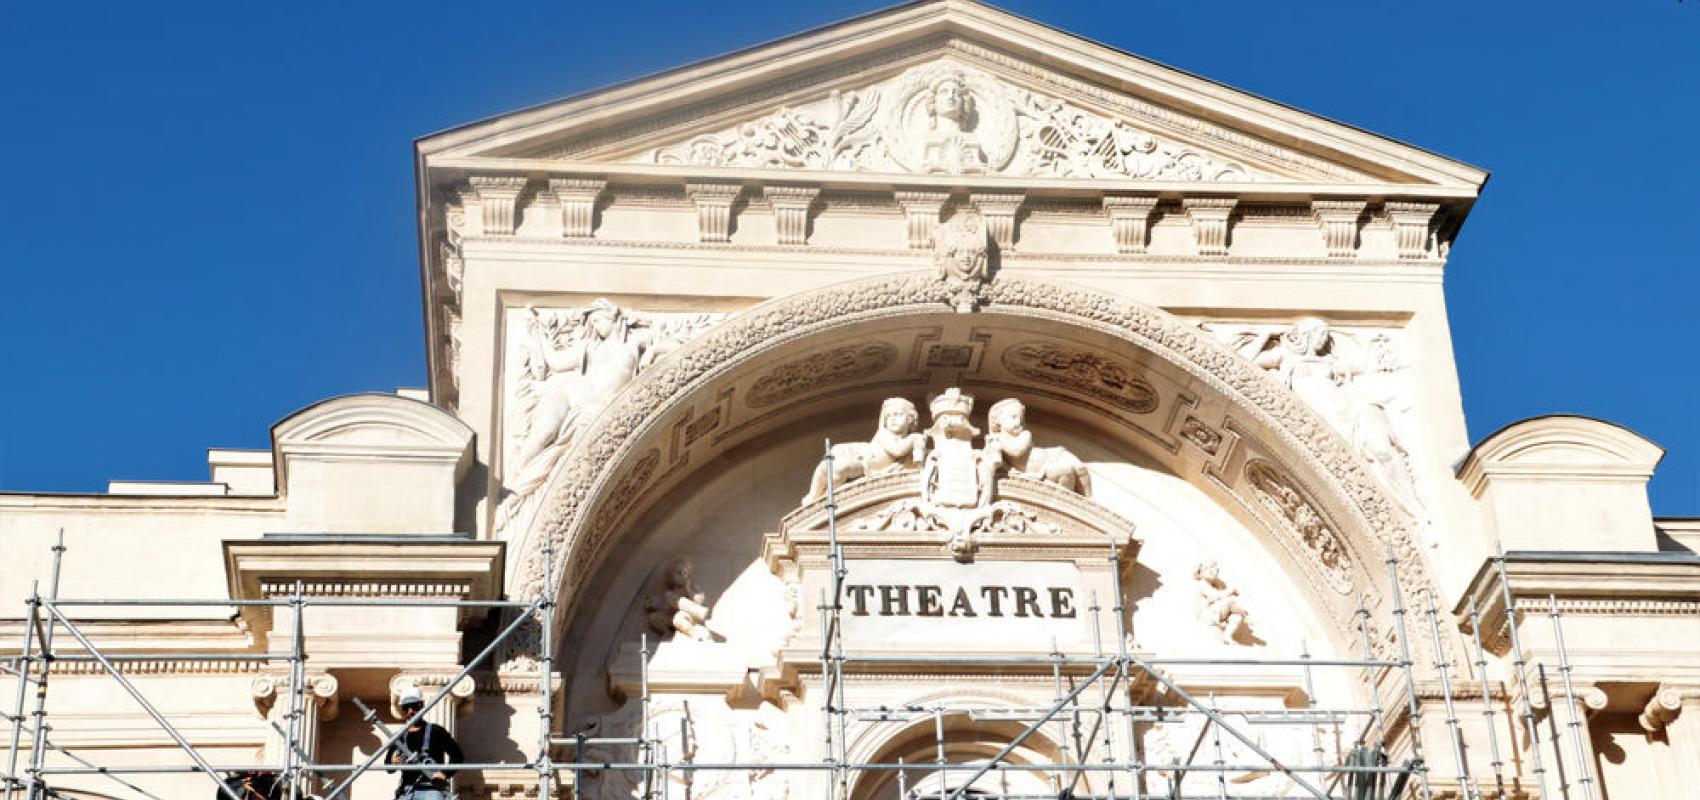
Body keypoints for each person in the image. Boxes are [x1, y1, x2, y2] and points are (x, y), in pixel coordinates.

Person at [385, 686, 464, 800]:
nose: (411, 711)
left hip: (431, 790)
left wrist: (445, 774)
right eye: (406, 707)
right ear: (402, 709)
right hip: (407, 791)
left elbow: (457, 756)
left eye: (415, 706)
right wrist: (392, 763)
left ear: (421, 706)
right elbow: (388, 767)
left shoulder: (436, 731)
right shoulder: (400, 736)